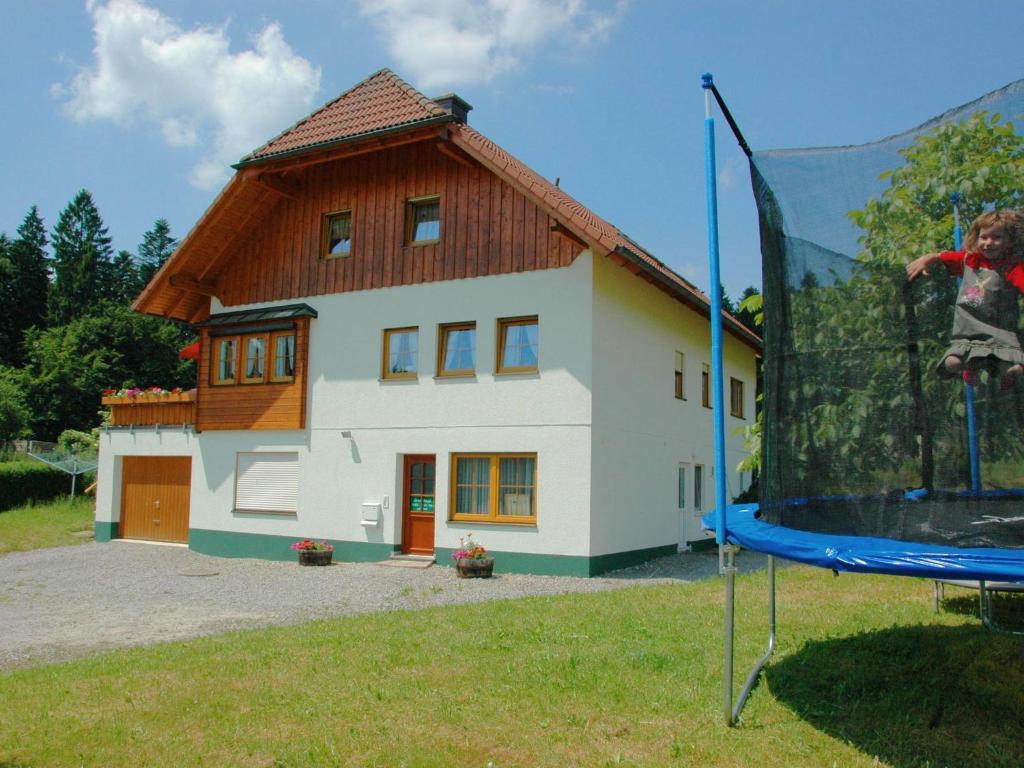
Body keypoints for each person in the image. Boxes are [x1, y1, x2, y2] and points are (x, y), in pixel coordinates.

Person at [905, 209, 1024, 388]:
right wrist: (926, 258)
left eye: (996, 238)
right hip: (969, 332)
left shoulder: (1011, 267)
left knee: (1014, 366)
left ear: (1008, 242)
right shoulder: (969, 260)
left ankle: (1007, 377)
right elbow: (943, 256)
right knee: (953, 362)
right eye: (984, 237)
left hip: (1000, 331)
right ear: (976, 238)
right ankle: (970, 367)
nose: (988, 243)